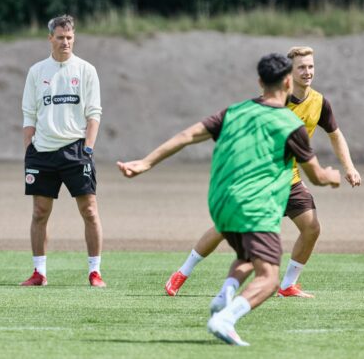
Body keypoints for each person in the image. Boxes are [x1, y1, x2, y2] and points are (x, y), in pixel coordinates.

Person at [117, 53, 340, 346]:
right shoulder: (289, 123)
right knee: (269, 278)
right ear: (288, 81)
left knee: (246, 257)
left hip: (220, 201)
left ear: (260, 81)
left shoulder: (234, 111)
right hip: (254, 204)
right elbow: (317, 177)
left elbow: (187, 135)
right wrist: (334, 175)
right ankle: (226, 318)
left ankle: (225, 294)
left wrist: (146, 163)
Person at [162, 46, 362, 299]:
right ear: (290, 73)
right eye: (301, 67)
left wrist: (349, 167)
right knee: (225, 228)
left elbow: (335, 134)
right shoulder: (274, 101)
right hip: (260, 181)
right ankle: (181, 273)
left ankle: (287, 285)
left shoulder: (320, 103)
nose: (307, 71)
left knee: (312, 228)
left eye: (311, 66)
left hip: (290, 180)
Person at [20, 14, 105, 287]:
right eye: (60, 37)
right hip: (42, 152)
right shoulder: (36, 71)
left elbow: (94, 114)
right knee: (39, 212)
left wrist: (88, 149)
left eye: (69, 37)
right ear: (50, 39)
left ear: (74, 38)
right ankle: (39, 273)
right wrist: (29, 151)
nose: (65, 42)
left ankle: (95, 272)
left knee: (89, 210)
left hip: (76, 150)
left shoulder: (86, 70)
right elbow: (28, 115)